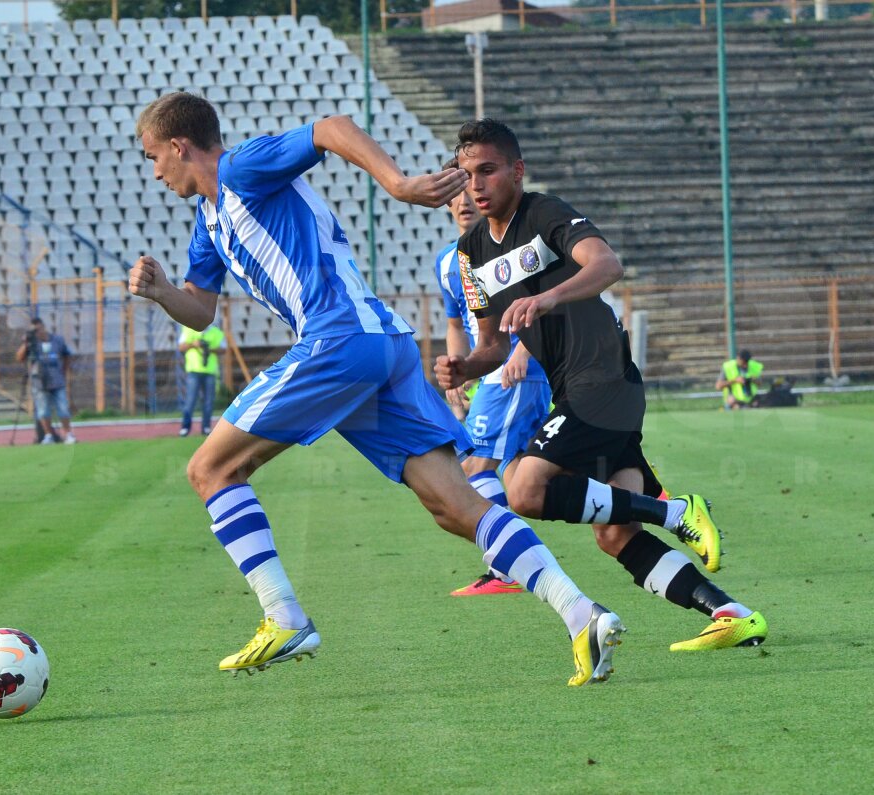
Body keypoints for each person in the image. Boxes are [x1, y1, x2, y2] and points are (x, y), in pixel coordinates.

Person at [129, 92, 631, 686]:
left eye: (153, 155)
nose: (154, 170)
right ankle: (581, 613)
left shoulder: (241, 169)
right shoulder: (207, 225)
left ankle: (283, 616)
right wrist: (162, 292)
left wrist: (396, 183)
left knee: (210, 472)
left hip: (338, 339)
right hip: (381, 344)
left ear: (179, 146)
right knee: (455, 507)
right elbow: (202, 309)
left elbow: (330, 127)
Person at [435, 118, 768, 652]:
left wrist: (549, 297)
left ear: (516, 171)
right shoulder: (472, 252)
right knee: (614, 533)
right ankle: (732, 613)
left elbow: (607, 263)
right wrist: (463, 368)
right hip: (576, 392)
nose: (475, 184)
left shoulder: (544, 212)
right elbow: (492, 345)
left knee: (521, 487)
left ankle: (677, 512)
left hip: (604, 379)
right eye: (467, 173)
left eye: (488, 170)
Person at [434, 160, 554, 597]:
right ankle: (640, 485)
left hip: (515, 370)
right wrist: (456, 372)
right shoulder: (449, 261)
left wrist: (525, 348)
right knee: (523, 472)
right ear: (444, 199)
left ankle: (508, 569)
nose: (464, 199)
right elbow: (454, 322)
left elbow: (539, 299)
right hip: (489, 371)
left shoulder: (508, 247)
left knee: (471, 465)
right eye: (455, 190)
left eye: (471, 187)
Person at [15, 318, 76, 445]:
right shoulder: (31, 343)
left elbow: (67, 355)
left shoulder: (57, 340)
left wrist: (63, 371)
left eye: (38, 328)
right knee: (43, 410)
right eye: (34, 330)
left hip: (57, 380)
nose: (37, 332)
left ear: (43, 327)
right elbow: (19, 358)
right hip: (39, 382)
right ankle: (48, 435)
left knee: (63, 408)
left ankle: (68, 434)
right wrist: (26, 343)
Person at [178, 321, 226, 436]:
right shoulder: (188, 329)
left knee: (208, 401)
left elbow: (223, 349)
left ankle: (206, 428)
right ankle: (185, 427)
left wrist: (209, 349)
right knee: (190, 401)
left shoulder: (217, 333)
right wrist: (194, 345)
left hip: (210, 371)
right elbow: (181, 347)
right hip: (193, 371)